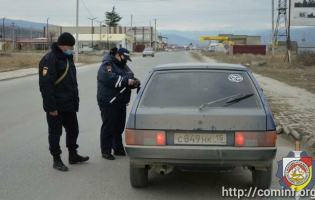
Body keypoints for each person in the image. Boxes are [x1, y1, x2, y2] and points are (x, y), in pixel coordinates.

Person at [39, 32, 89, 171]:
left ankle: (73, 155)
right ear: (62, 45)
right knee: (55, 133)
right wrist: (50, 107)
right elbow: (46, 86)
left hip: (69, 104)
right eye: (70, 46)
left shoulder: (67, 58)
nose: (72, 49)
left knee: (73, 130)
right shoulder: (49, 59)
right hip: (56, 106)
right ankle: (56, 159)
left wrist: (75, 101)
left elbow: (71, 82)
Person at [97, 47, 140, 160]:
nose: (125, 60)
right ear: (118, 55)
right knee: (109, 127)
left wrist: (135, 82)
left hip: (121, 101)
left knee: (119, 127)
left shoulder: (124, 65)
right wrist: (126, 81)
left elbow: (130, 76)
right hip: (109, 101)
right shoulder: (107, 65)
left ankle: (118, 148)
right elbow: (109, 79)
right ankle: (106, 151)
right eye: (124, 58)